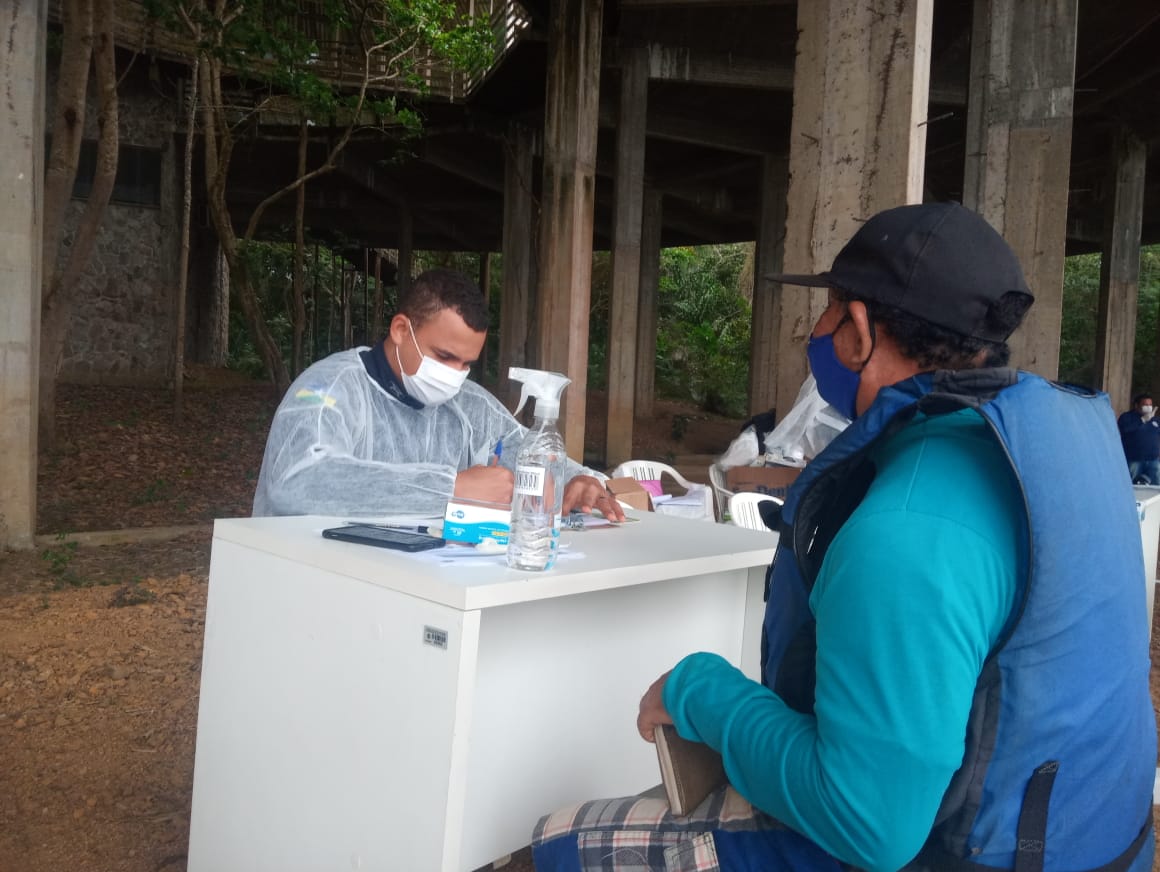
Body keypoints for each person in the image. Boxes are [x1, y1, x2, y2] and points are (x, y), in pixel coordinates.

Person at [532, 203, 1155, 871]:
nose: (818, 332)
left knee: (563, 838)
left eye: (828, 314)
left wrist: (696, 690)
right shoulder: (1057, 452)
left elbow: (869, 826)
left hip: (959, 852)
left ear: (857, 330)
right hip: (1095, 834)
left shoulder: (903, 527)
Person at [252, 268, 623, 522]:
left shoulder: (468, 404)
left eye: (466, 364)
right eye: (444, 356)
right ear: (400, 329)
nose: (453, 375)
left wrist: (578, 480)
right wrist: (452, 488)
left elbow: (523, 448)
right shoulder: (328, 389)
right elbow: (298, 481)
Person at [1117, 393, 1160, 485]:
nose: (1148, 407)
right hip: (1134, 459)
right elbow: (1125, 429)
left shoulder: (1155, 420)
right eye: (1145, 405)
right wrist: (1142, 420)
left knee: (1156, 486)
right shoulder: (1127, 417)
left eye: (1150, 405)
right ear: (1137, 406)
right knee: (1130, 484)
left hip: (1153, 460)